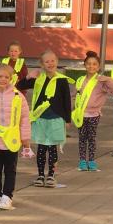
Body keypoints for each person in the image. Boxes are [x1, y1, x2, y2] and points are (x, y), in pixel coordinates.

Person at [17, 50, 73, 188]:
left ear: (57, 62)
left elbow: (67, 100)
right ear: (42, 64)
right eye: (47, 61)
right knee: (41, 148)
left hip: (56, 118)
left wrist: (67, 119)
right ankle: (41, 174)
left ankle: (51, 175)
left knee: (53, 148)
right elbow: (19, 86)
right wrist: (29, 76)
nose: (50, 63)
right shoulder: (38, 78)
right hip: (40, 118)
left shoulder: (61, 80)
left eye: (53, 60)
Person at [0, 63, 32, 210]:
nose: (3, 79)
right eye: (0, 76)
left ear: (11, 78)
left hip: (12, 141)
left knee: (10, 169)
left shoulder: (18, 96)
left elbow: (25, 118)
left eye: (6, 77)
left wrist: (25, 139)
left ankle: (7, 196)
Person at [71, 52, 113, 172]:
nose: (91, 66)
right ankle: (82, 160)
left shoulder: (101, 81)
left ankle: (91, 160)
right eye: (88, 64)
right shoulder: (80, 80)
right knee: (82, 138)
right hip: (80, 114)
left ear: (98, 67)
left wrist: (108, 79)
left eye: (94, 64)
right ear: (85, 65)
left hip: (94, 115)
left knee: (91, 138)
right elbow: (74, 95)